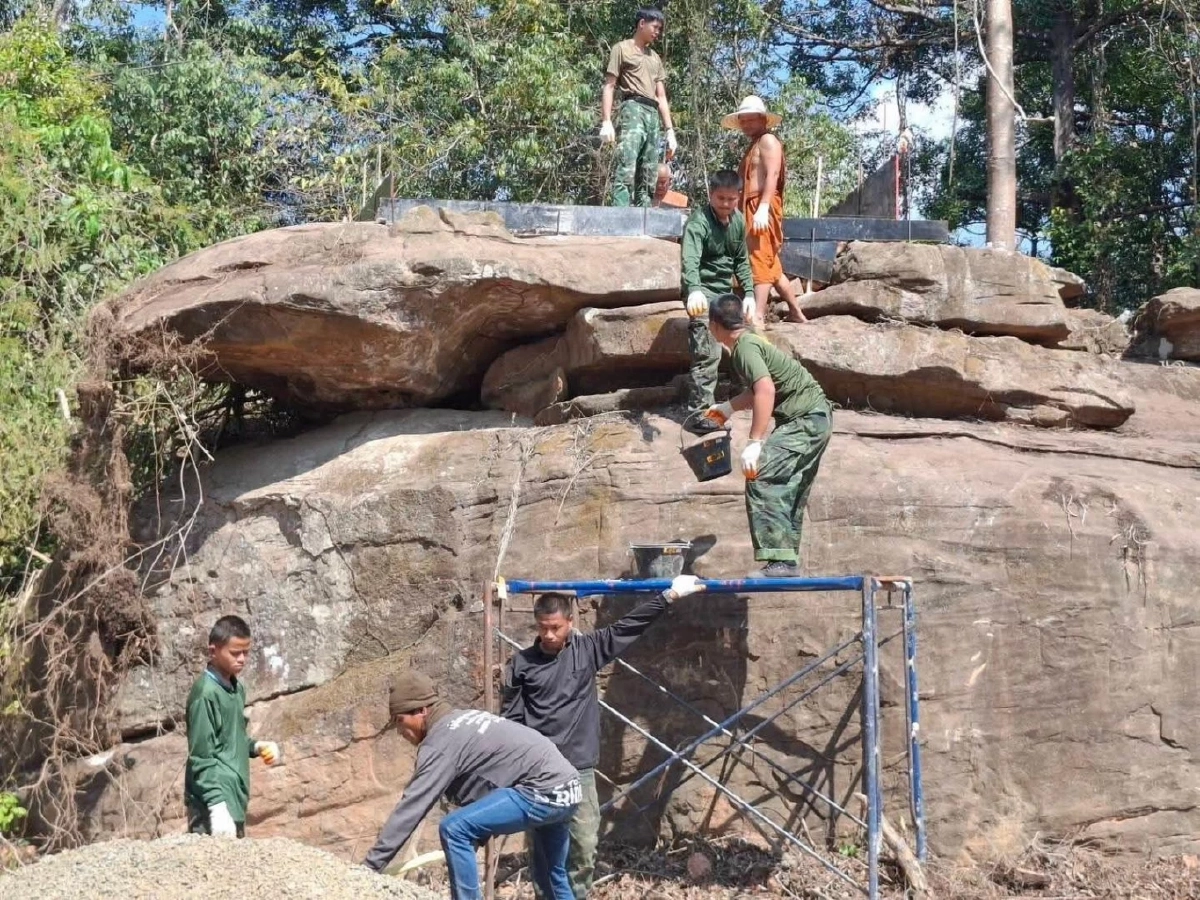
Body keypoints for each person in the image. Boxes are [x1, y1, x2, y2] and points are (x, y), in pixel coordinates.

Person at [502, 575, 705, 899]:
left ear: (570, 622)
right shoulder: (522, 664)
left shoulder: (587, 650)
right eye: (542, 628)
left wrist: (669, 596)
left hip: (578, 769)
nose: (549, 635)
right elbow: (511, 719)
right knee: (542, 849)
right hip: (539, 772)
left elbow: (628, 627)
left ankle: (577, 894)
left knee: (583, 843)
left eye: (555, 627)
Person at [363, 671, 582, 900]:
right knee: (552, 876)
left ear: (421, 711)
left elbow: (412, 807)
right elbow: (486, 788)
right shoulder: (463, 721)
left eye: (400, 721)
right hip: (569, 788)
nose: (399, 731)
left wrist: (369, 867)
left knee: (454, 828)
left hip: (541, 789)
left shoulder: (440, 742)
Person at [702, 294, 831, 577]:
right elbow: (758, 389)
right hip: (814, 417)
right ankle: (785, 560)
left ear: (714, 325)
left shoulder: (745, 348)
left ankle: (781, 562)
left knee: (760, 475)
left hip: (805, 419)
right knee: (787, 484)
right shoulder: (750, 341)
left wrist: (754, 442)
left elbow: (765, 390)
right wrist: (727, 408)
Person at [184, 615, 280, 838]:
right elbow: (201, 755)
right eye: (235, 653)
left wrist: (257, 747)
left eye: (246, 652)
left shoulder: (236, 689)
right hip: (210, 805)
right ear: (213, 651)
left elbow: (231, 739)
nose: (242, 659)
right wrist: (216, 806)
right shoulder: (205, 694)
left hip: (235, 797)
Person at [681, 169, 756, 433]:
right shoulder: (698, 222)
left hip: (725, 294)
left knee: (749, 338)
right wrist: (693, 289)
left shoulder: (738, 221)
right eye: (721, 198)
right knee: (708, 352)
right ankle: (698, 416)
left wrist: (749, 293)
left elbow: (741, 260)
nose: (726, 204)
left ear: (738, 197)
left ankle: (744, 395)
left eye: (731, 199)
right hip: (701, 293)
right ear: (711, 195)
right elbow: (690, 260)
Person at [722, 95, 807, 326]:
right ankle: (796, 311)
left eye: (751, 120)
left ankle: (757, 315)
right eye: (743, 121)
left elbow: (773, 174)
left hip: (761, 206)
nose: (746, 125)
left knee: (759, 260)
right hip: (749, 206)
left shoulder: (768, 140)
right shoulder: (754, 144)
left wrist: (763, 207)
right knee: (772, 265)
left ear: (763, 119)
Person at [600, 8, 677, 207]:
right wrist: (606, 121)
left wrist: (670, 130)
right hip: (632, 108)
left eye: (660, 29)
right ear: (642, 23)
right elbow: (609, 85)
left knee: (649, 172)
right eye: (655, 27)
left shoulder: (655, 58)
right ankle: (620, 215)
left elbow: (661, 96)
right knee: (627, 164)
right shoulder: (621, 49)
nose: (658, 32)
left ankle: (644, 216)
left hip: (652, 113)